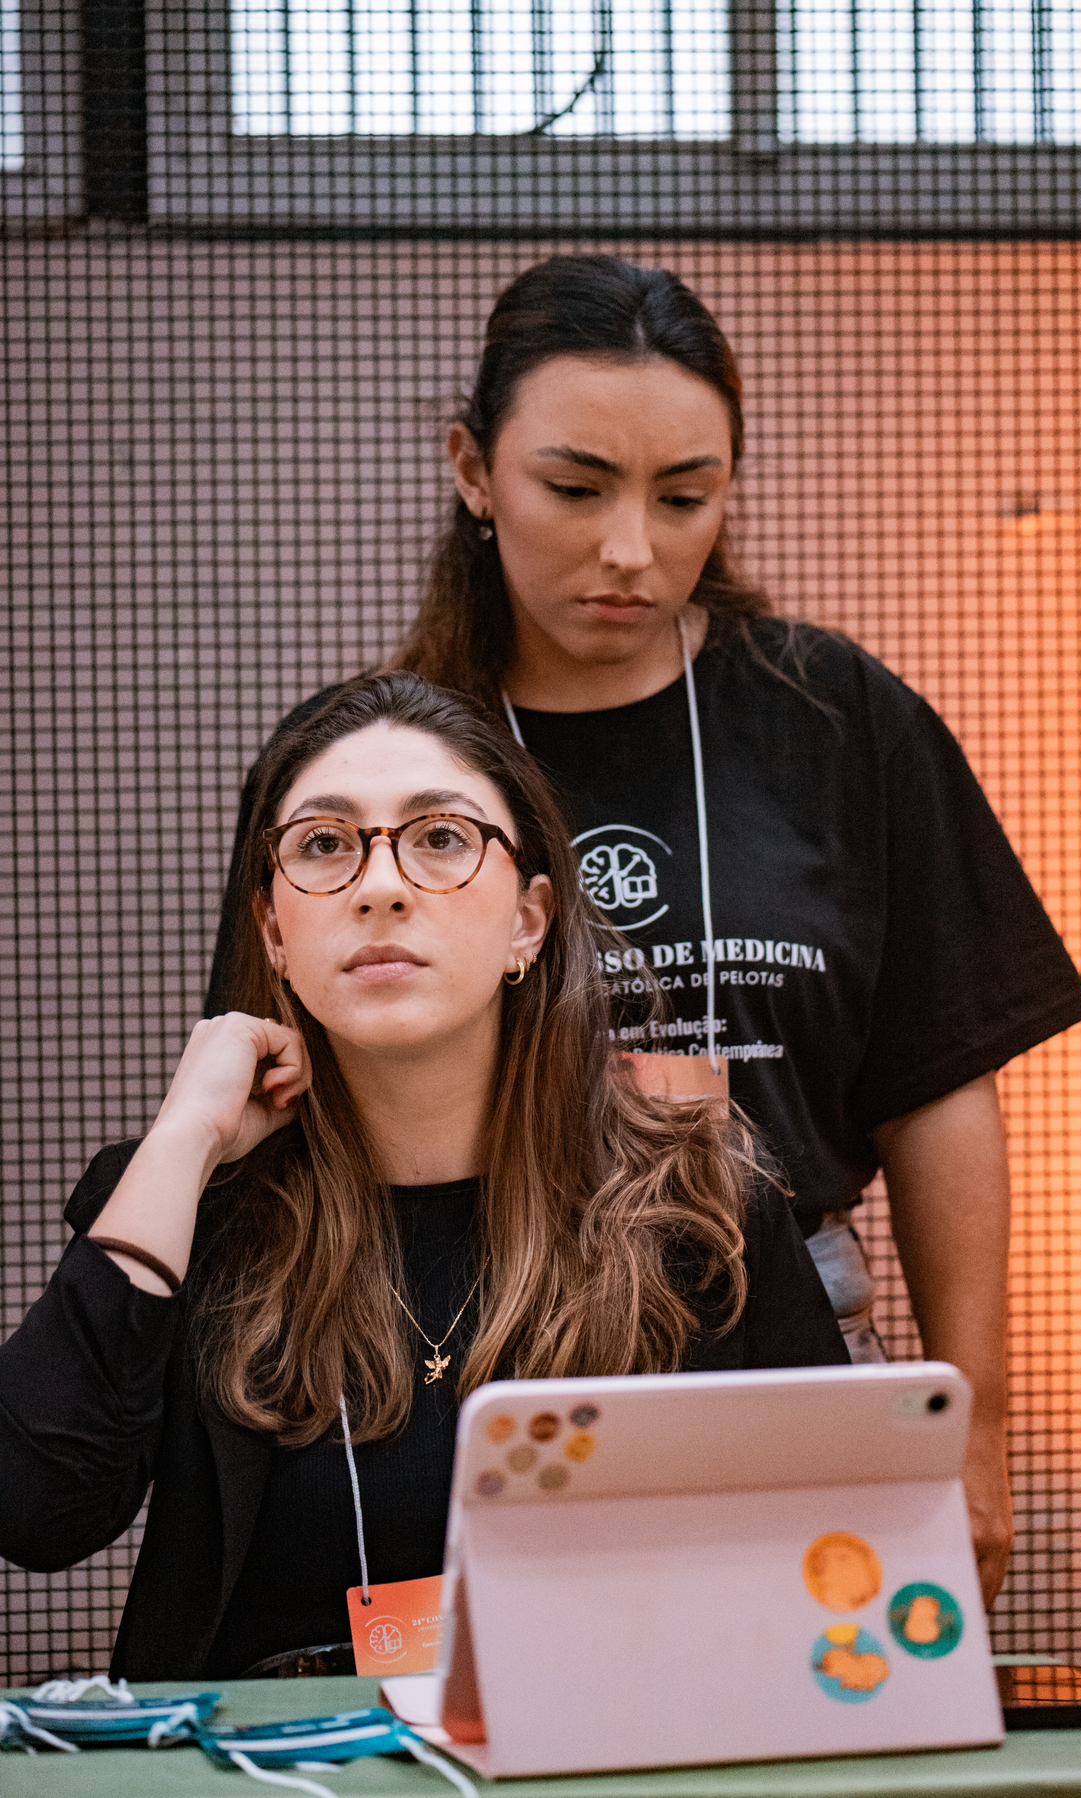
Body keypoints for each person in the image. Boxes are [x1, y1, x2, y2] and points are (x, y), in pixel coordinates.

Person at [204, 257, 1081, 1608]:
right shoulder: (376, 762)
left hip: (777, 1348)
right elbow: (275, 1086)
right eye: (575, 488)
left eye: (684, 495)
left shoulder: (835, 717)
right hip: (446, 1359)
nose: (630, 549)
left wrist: (972, 1425)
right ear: (471, 469)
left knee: (772, 1695)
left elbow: (940, 1080)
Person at [0, 672, 848, 1681]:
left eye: (441, 836)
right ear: (272, 931)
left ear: (529, 920)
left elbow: (826, 1552)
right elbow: (37, 1510)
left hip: (598, 1743)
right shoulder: (189, 1203)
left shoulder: (698, 1202)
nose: (381, 885)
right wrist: (184, 1136)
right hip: (263, 1757)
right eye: (325, 844)